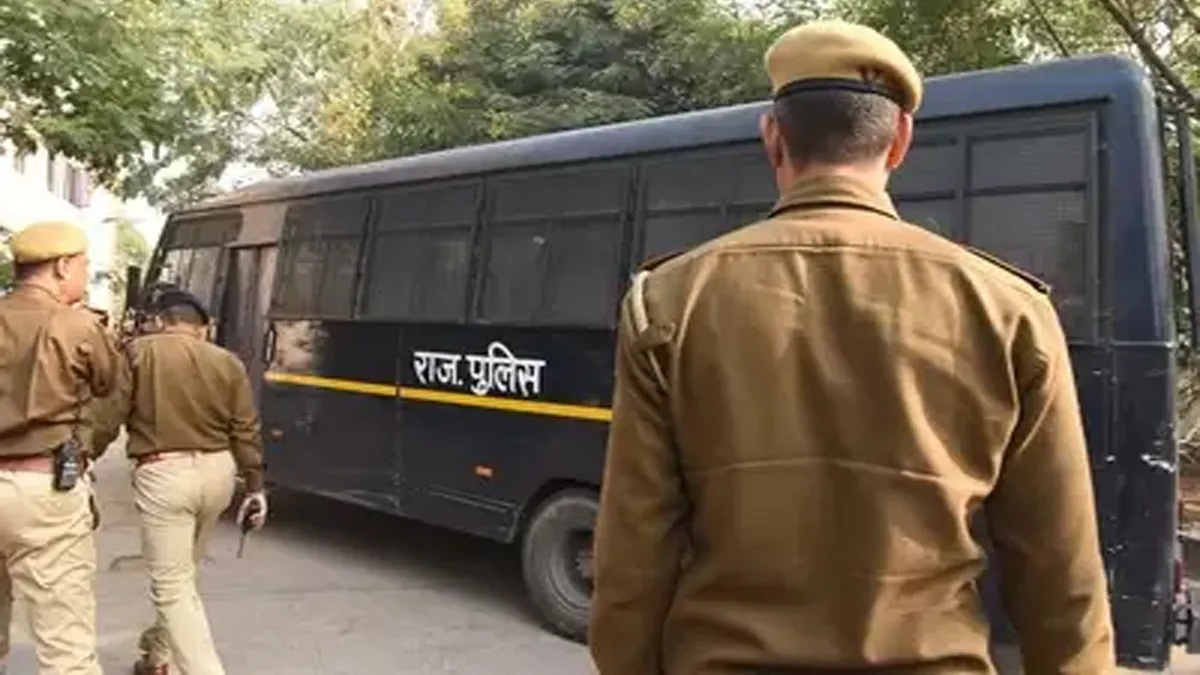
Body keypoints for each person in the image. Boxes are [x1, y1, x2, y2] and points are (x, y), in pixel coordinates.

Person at [588, 19, 1115, 675]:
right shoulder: (1009, 310)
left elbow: (633, 552)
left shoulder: (670, 301)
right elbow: (1059, 568)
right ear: (900, 141)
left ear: (773, 137)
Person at [91, 289, 267, 675]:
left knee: (172, 585)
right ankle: (158, 655)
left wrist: (83, 458)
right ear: (203, 328)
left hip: (164, 475)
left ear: (161, 321)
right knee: (184, 575)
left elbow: (108, 417)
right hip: (219, 473)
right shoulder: (229, 363)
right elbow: (246, 429)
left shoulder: (137, 353)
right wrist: (255, 486)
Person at [0, 220, 121, 675]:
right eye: (85, 266)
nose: (85, 276)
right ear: (62, 266)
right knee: (65, 647)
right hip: (43, 491)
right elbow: (110, 385)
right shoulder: (77, 326)